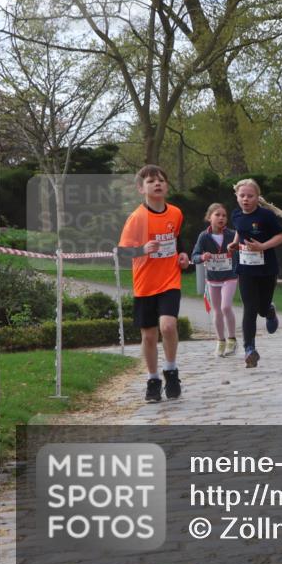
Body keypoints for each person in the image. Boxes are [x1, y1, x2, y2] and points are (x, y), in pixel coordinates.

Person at [117, 165, 191, 402]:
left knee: (168, 326)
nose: (157, 184)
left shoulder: (176, 213)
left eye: (161, 180)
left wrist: (183, 256)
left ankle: (171, 370)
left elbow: (177, 241)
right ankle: (153, 379)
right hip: (145, 284)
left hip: (170, 281)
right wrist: (141, 249)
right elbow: (121, 253)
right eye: (151, 181)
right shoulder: (137, 218)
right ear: (141, 188)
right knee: (148, 336)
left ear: (167, 186)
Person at [228, 179, 282, 369]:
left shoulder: (266, 216)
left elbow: (281, 236)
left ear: (257, 197)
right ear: (237, 196)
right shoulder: (236, 214)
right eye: (242, 195)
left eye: (250, 196)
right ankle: (249, 349)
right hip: (245, 269)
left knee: (261, 308)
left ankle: (269, 311)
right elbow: (240, 230)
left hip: (266, 269)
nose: (245, 199)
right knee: (250, 308)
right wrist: (235, 243)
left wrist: (262, 246)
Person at [191, 203, 239, 358]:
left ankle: (232, 339)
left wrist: (236, 251)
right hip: (213, 278)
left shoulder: (232, 234)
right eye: (217, 215)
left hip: (230, 276)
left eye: (224, 215)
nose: (221, 218)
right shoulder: (204, 236)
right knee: (217, 310)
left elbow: (241, 248)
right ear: (209, 217)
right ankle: (220, 341)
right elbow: (195, 256)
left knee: (226, 307)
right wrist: (202, 257)